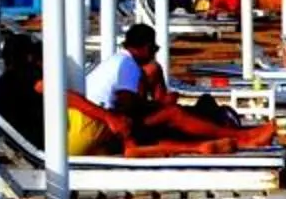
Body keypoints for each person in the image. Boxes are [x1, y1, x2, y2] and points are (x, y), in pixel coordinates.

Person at [86, 23, 274, 151]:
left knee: (174, 113)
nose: (154, 54)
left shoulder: (117, 60)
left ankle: (238, 136)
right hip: (107, 131)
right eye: (153, 49)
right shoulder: (128, 66)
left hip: (100, 126)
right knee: (173, 114)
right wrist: (159, 107)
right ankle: (243, 138)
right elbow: (127, 107)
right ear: (144, 47)